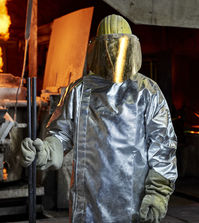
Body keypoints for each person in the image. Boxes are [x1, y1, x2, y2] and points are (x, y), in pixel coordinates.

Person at [21, 14, 177, 223]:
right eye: (110, 48)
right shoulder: (79, 91)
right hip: (88, 207)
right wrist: (47, 151)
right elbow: (61, 134)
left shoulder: (147, 92)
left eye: (120, 47)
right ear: (99, 50)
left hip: (134, 204)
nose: (115, 56)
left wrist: (157, 193)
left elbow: (163, 147)